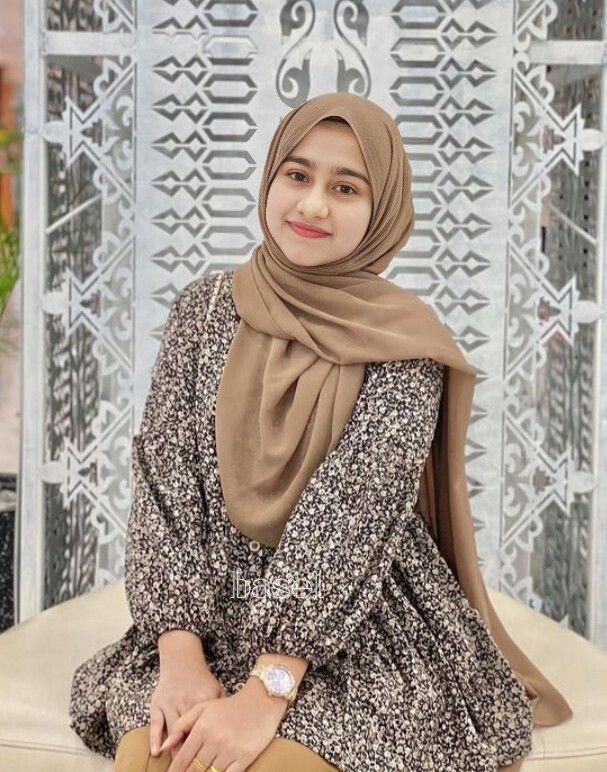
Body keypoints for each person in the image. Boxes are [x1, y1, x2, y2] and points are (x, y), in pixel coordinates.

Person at [69, 92, 572, 772]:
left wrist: (266, 692)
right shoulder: (205, 309)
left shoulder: (403, 345)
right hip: (208, 620)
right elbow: (165, 483)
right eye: (297, 175)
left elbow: (351, 519)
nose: (311, 205)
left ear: (381, 208)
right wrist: (179, 656)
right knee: (153, 758)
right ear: (270, 178)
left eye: (345, 188)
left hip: (358, 631)